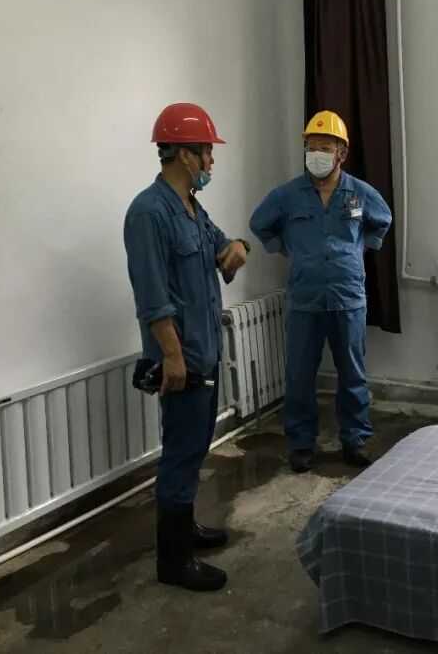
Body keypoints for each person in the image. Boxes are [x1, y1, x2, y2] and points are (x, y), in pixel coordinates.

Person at [123, 101, 249, 592]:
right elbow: (152, 297)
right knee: (180, 453)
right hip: (182, 358)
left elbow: (224, 246)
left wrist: (239, 246)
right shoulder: (149, 213)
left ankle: (186, 528)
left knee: (195, 447)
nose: (212, 161)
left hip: (204, 349)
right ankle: (173, 561)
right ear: (183, 153)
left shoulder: (192, 209)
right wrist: (171, 356)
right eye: (206, 152)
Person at [249, 110, 392, 473]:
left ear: (341, 153)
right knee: (299, 375)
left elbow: (383, 220)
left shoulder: (359, 193)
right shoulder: (287, 195)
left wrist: (361, 249)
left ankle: (354, 439)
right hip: (305, 299)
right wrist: (286, 250)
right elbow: (259, 223)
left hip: (348, 298)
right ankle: (301, 443)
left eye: (325, 148)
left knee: (352, 373)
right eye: (312, 147)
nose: (317, 154)